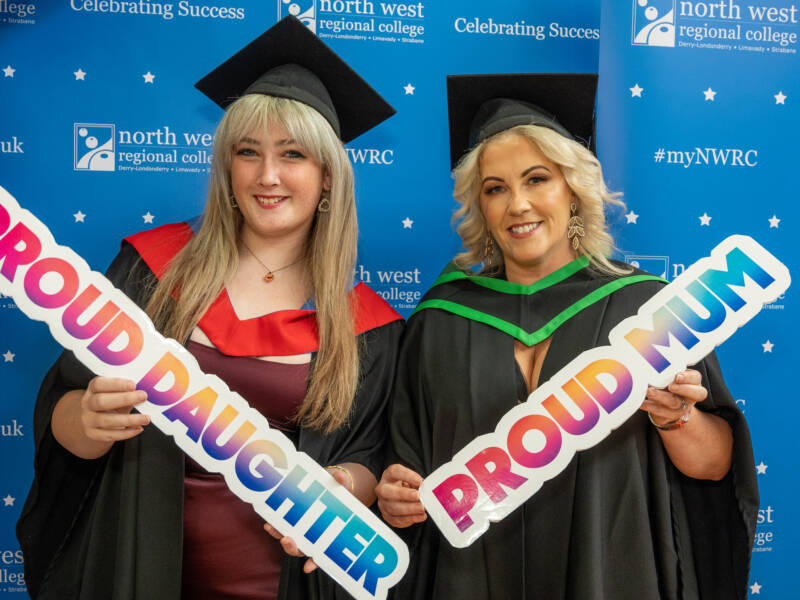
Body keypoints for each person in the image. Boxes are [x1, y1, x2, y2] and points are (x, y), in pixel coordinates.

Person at [17, 16, 403, 600]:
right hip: (137, 569)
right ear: (228, 169)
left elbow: (368, 458)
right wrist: (88, 421)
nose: (267, 175)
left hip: (280, 582)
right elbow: (61, 411)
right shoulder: (152, 269)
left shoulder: (366, 327)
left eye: (292, 154)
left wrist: (345, 483)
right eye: (248, 152)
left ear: (328, 178)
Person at [376, 74, 758, 599]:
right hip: (469, 576)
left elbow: (715, 467)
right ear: (480, 207)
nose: (518, 205)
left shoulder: (643, 306)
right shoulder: (442, 319)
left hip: (614, 573)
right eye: (496, 188)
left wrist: (679, 418)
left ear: (573, 190)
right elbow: (404, 468)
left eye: (538, 179)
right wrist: (396, 495)